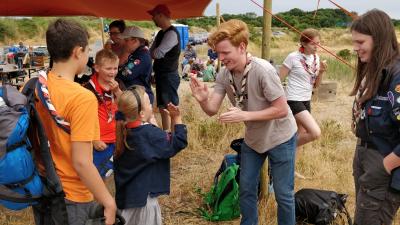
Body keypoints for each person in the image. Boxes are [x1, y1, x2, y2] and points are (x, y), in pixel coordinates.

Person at [190, 19, 297, 225]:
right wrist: (202, 99)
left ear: (242, 47)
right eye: (218, 53)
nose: (220, 58)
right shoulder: (224, 74)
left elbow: (282, 109)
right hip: (254, 138)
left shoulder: (263, 70)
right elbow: (212, 109)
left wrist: (244, 116)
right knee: (246, 187)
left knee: (284, 195)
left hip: (280, 137)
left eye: (225, 53)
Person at [32, 19, 117, 225]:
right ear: (78, 51)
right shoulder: (82, 97)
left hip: (44, 188)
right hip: (73, 196)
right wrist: (109, 202)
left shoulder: (37, 86)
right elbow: (81, 162)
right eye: (87, 50)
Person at [350, 9, 400, 225]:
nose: (356, 48)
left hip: (383, 160)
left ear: (378, 39)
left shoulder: (396, 74)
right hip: (365, 154)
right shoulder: (375, 70)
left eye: (361, 42)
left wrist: (386, 165)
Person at [113, 85, 187, 225]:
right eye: (148, 102)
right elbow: (178, 143)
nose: (151, 106)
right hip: (144, 202)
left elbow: (165, 142)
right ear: (141, 113)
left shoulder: (124, 131)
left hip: (127, 198)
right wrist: (176, 118)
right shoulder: (149, 134)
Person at [279, 28, 327, 179]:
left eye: (318, 44)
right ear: (303, 43)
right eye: (313, 44)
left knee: (299, 135)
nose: (316, 47)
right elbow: (277, 79)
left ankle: (288, 171)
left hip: (306, 99)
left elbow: (316, 85)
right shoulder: (293, 57)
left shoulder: (316, 58)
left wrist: (321, 72)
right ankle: (280, 151)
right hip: (293, 99)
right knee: (314, 132)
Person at [83, 49, 122, 179]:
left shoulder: (118, 84)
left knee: (112, 175)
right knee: (97, 177)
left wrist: (117, 91)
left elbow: (127, 107)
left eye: (115, 68)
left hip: (116, 139)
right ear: (97, 68)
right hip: (99, 143)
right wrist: (93, 139)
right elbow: (83, 119)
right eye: (108, 68)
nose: (112, 72)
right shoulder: (88, 89)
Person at [148, 4, 181, 131]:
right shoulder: (161, 33)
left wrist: (152, 53)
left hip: (168, 76)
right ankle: (167, 134)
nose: (152, 19)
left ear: (161, 15)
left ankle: (174, 135)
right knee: (163, 107)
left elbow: (157, 53)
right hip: (162, 75)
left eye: (154, 16)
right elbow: (152, 52)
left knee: (170, 108)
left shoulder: (171, 33)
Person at [116, 26, 154, 105]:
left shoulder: (141, 56)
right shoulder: (138, 53)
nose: (124, 43)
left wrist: (117, 70)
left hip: (140, 99)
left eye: (126, 40)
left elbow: (124, 74)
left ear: (135, 40)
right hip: (136, 96)